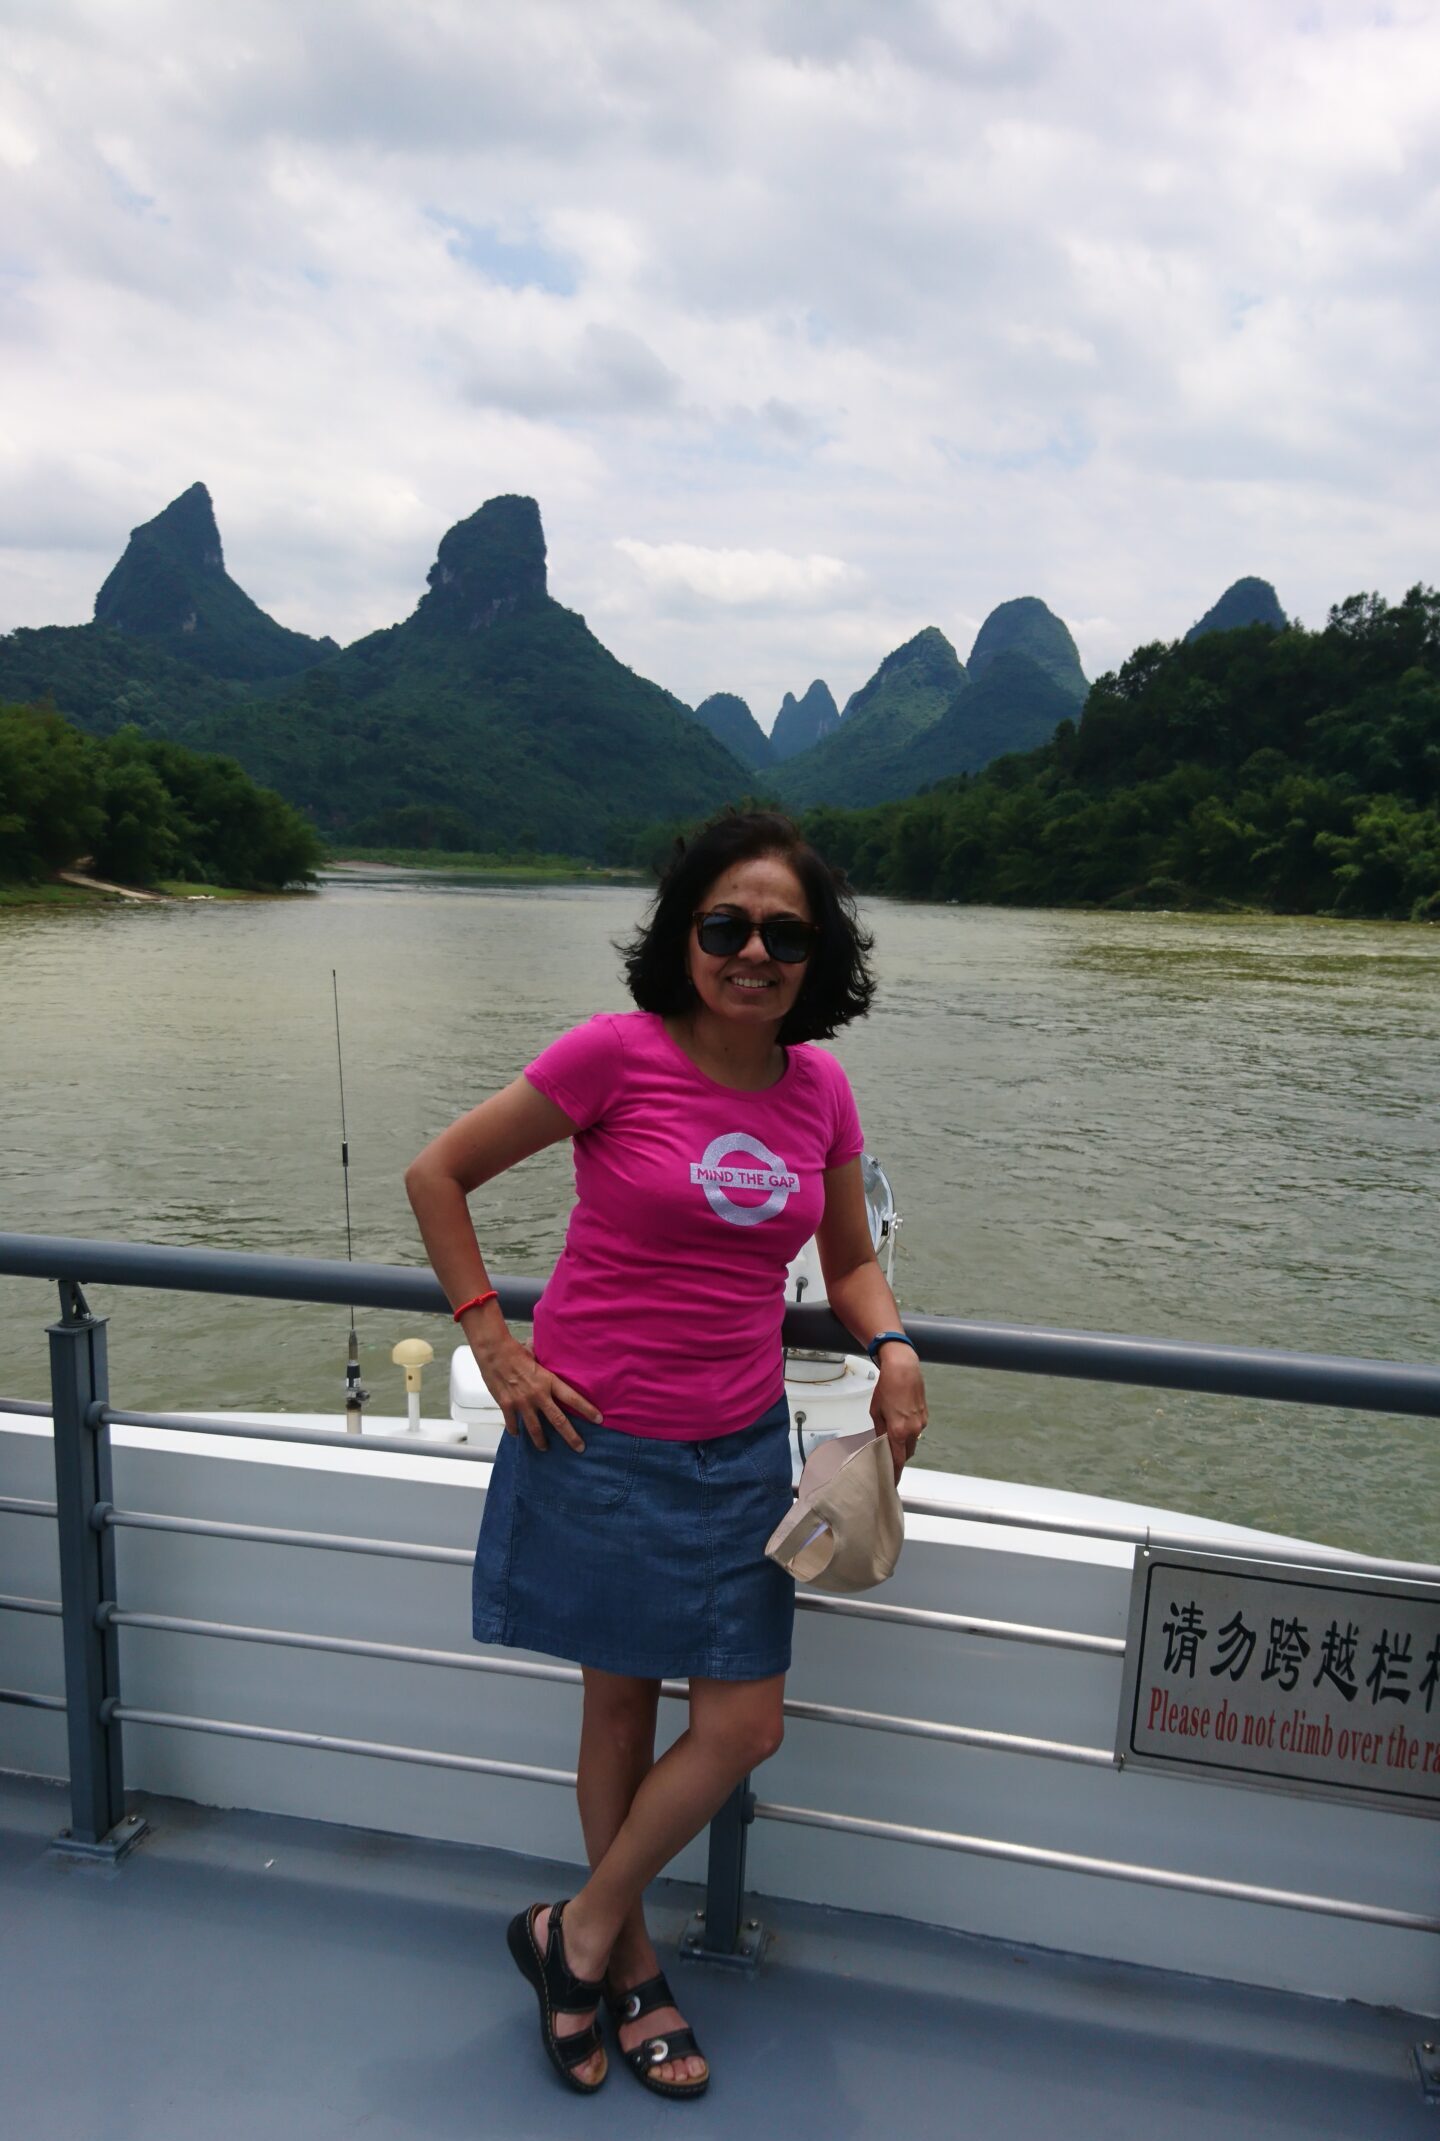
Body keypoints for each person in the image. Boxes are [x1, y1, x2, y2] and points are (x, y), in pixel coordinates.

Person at [404, 809, 927, 2099]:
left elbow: (849, 1259)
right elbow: (438, 1174)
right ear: (686, 933)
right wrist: (495, 1344)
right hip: (596, 1441)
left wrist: (894, 1347)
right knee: (620, 1710)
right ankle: (627, 1971)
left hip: (741, 1448)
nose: (754, 952)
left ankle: (567, 1932)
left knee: (746, 1726)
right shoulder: (614, 1056)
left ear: (818, 955)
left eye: (784, 934)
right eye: (727, 926)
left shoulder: (821, 1088)